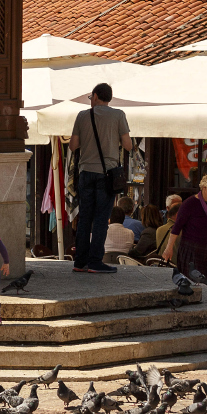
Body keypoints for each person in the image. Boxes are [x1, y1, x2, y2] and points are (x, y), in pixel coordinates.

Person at [67, 83, 131, 275]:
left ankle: (80, 261)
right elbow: (127, 145)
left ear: (95, 96)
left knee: (85, 218)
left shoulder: (82, 116)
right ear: (109, 98)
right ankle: (95, 261)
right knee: (102, 219)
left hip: (86, 172)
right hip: (107, 174)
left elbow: (72, 146)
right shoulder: (119, 115)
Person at [163, 171, 207, 280]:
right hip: (192, 249)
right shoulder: (189, 204)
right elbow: (177, 227)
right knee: (193, 283)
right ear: (204, 187)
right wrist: (169, 248)